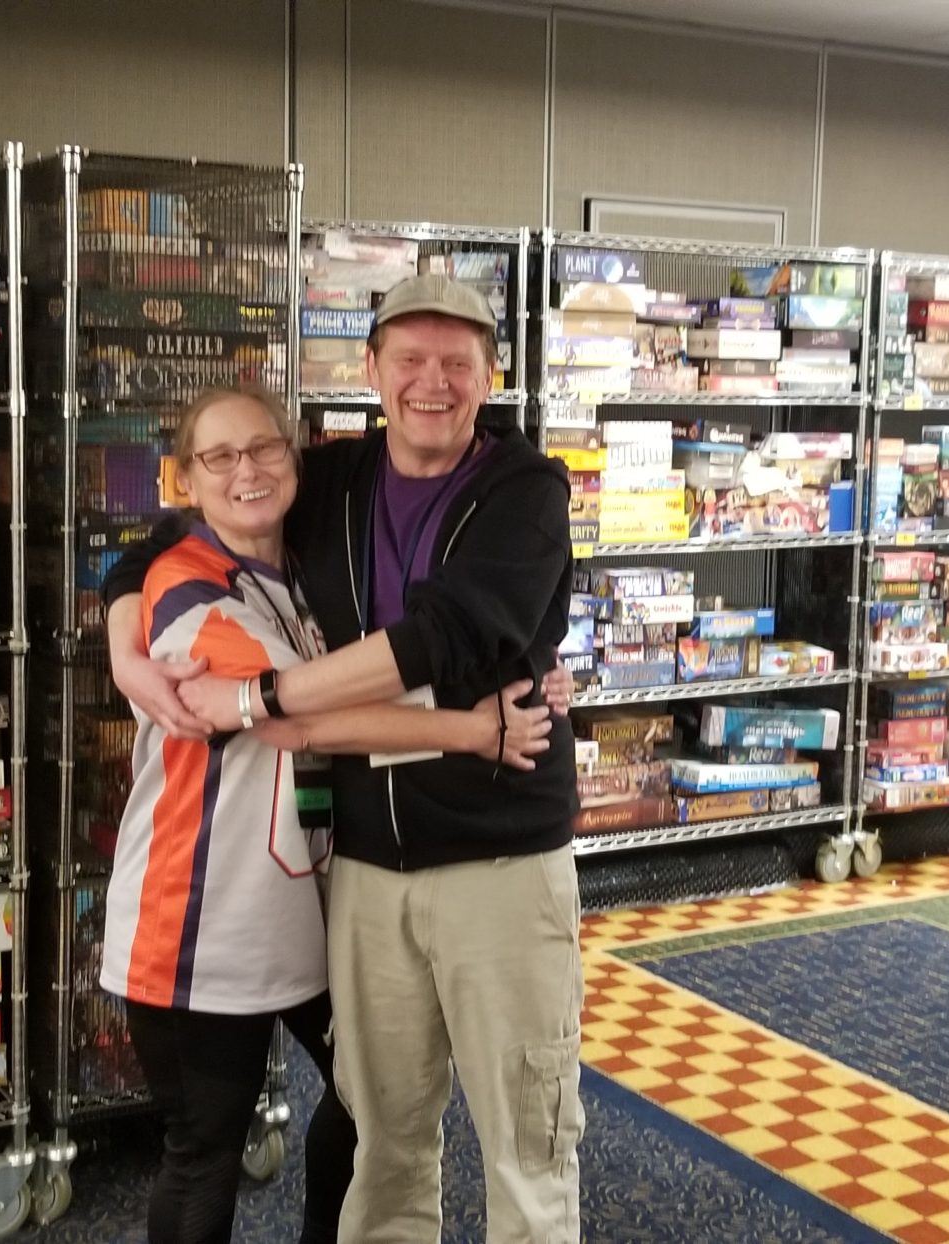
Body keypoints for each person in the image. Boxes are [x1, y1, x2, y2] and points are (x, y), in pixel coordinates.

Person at [104, 275, 584, 1243]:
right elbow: (176, 532)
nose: (431, 382)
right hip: (360, 870)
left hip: (495, 856)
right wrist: (122, 642)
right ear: (370, 370)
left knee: (525, 1138)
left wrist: (268, 695)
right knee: (383, 1132)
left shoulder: (526, 491)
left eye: (456, 362)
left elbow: (444, 635)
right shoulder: (336, 476)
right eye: (408, 359)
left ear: (491, 375)